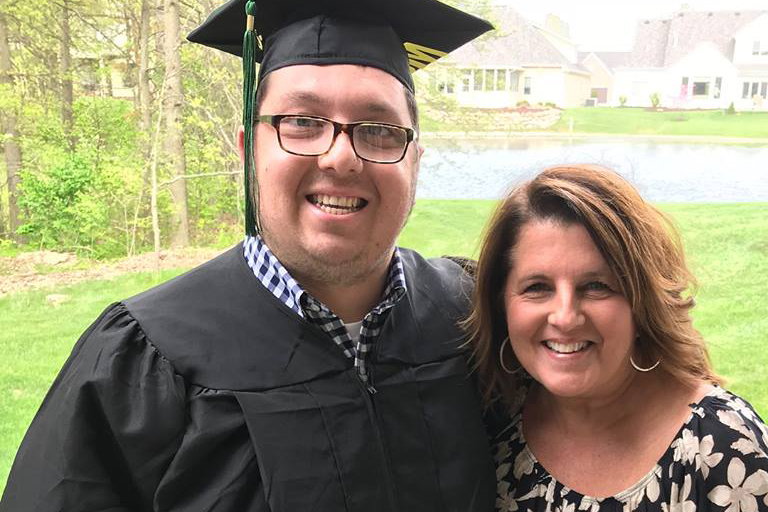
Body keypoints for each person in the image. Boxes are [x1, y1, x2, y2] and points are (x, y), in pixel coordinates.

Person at [0, 1, 497, 510]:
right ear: (248, 149)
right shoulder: (141, 360)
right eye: (302, 122)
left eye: (379, 130)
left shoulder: (473, 314)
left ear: (414, 160)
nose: (340, 156)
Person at [465, 165, 768, 511]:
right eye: (537, 287)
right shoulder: (492, 418)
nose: (565, 316)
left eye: (596, 286)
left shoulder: (722, 446)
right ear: (502, 302)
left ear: (643, 303)